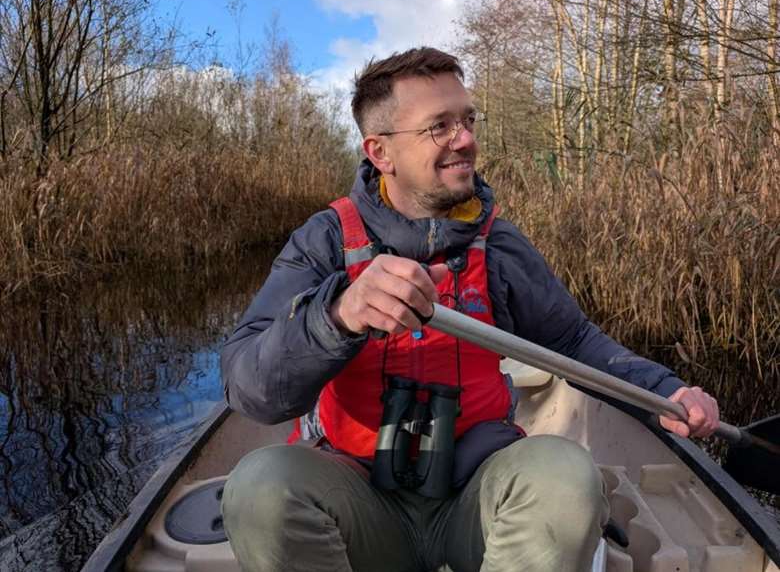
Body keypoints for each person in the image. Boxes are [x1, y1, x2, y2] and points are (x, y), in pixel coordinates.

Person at [219, 47, 719, 572]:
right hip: (357, 501)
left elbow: (572, 343)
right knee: (260, 488)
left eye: (467, 120)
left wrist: (664, 392)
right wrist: (339, 314)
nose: (466, 139)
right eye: (439, 126)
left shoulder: (497, 244)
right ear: (380, 153)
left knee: (566, 474)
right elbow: (248, 388)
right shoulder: (322, 241)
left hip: (472, 501)